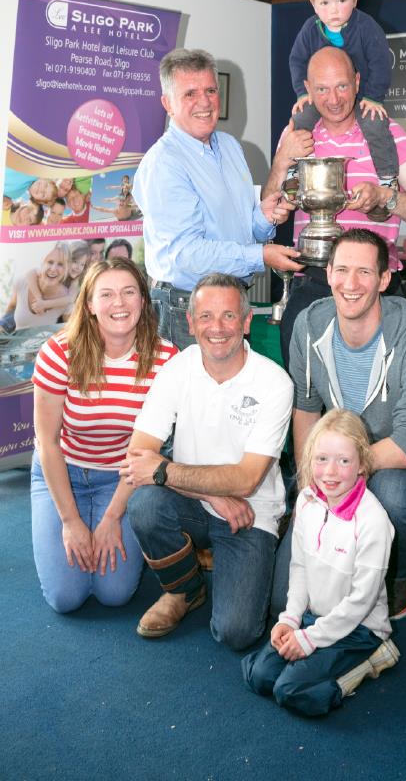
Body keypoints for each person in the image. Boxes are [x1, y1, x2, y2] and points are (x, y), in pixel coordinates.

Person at [276, 229, 406, 620]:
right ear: (328, 272)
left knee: (393, 496)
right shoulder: (309, 324)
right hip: (336, 462)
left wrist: (339, 475)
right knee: (279, 602)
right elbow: (306, 409)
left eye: (365, 272)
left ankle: (401, 574)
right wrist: (309, 487)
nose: (351, 284)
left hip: (398, 466)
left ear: (384, 280)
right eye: (343, 270)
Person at [120, 273, 293, 649]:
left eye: (229, 316)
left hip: (249, 513)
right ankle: (184, 589)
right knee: (145, 506)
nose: (217, 328)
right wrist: (213, 495)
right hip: (196, 503)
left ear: (247, 322)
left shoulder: (274, 383)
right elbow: (139, 456)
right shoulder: (177, 369)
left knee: (236, 634)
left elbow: (246, 481)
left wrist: (164, 471)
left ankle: (236, 553)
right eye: (206, 317)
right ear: (190, 322)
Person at [264, 46, 406, 365]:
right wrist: (281, 159)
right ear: (308, 89)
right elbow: (269, 208)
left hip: (377, 286)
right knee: (307, 393)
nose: (333, 98)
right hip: (315, 281)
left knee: (382, 400)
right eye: (322, 89)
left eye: (342, 86)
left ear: (357, 81)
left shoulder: (387, 133)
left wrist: (387, 198)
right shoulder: (296, 134)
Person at [30, 260, 178, 613]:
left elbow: (143, 451)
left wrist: (112, 518)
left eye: (129, 292)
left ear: (144, 301)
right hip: (63, 472)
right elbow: (48, 443)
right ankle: (53, 519)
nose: (119, 303)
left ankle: (101, 519)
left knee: (115, 594)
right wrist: (70, 521)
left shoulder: (166, 359)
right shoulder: (59, 353)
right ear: (90, 305)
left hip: (122, 478)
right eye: (107, 294)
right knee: (66, 598)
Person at [132, 48, 300, 349]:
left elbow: (242, 232)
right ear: (167, 104)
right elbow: (187, 255)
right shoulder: (164, 162)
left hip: (233, 300)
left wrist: (263, 216)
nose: (205, 102)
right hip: (186, 307)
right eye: (190, 94)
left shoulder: (230, 146)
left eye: (211, 90)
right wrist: (260, 255)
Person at [242, 409, 399, 716]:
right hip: (314, 617)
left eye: (344, 461)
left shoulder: (374, 522)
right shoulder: (306, 501)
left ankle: (374, 658)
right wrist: (289, 619)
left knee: (292, 691)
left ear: (361, 465)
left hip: (359, 627)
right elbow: (299, 569)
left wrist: (310, 640)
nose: (330, 472)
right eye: (321, 459)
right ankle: (310, 653)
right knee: (259, 677)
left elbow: (360, 602)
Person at [288, 0, 397, 186]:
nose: (334, 10)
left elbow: (381, 63)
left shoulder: (366, 27)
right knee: (300, 118)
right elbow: (297, 61)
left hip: (364, 95)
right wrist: (302, 93)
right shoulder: (310, 29)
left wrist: (374, 98)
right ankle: (294, 170)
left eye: (341, 0)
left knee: (375, 125)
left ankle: (387, 177)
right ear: (312, 3)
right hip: (325, 98)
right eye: (325, 3)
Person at [1, 243, 74, 333]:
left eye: (60, 264)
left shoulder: (66, 302)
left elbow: (69, 331)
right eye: (50, 262)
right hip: (16, 344)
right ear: (42, 263)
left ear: (66, 269)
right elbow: (11, 308)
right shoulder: (22, 282)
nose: (53, 268)